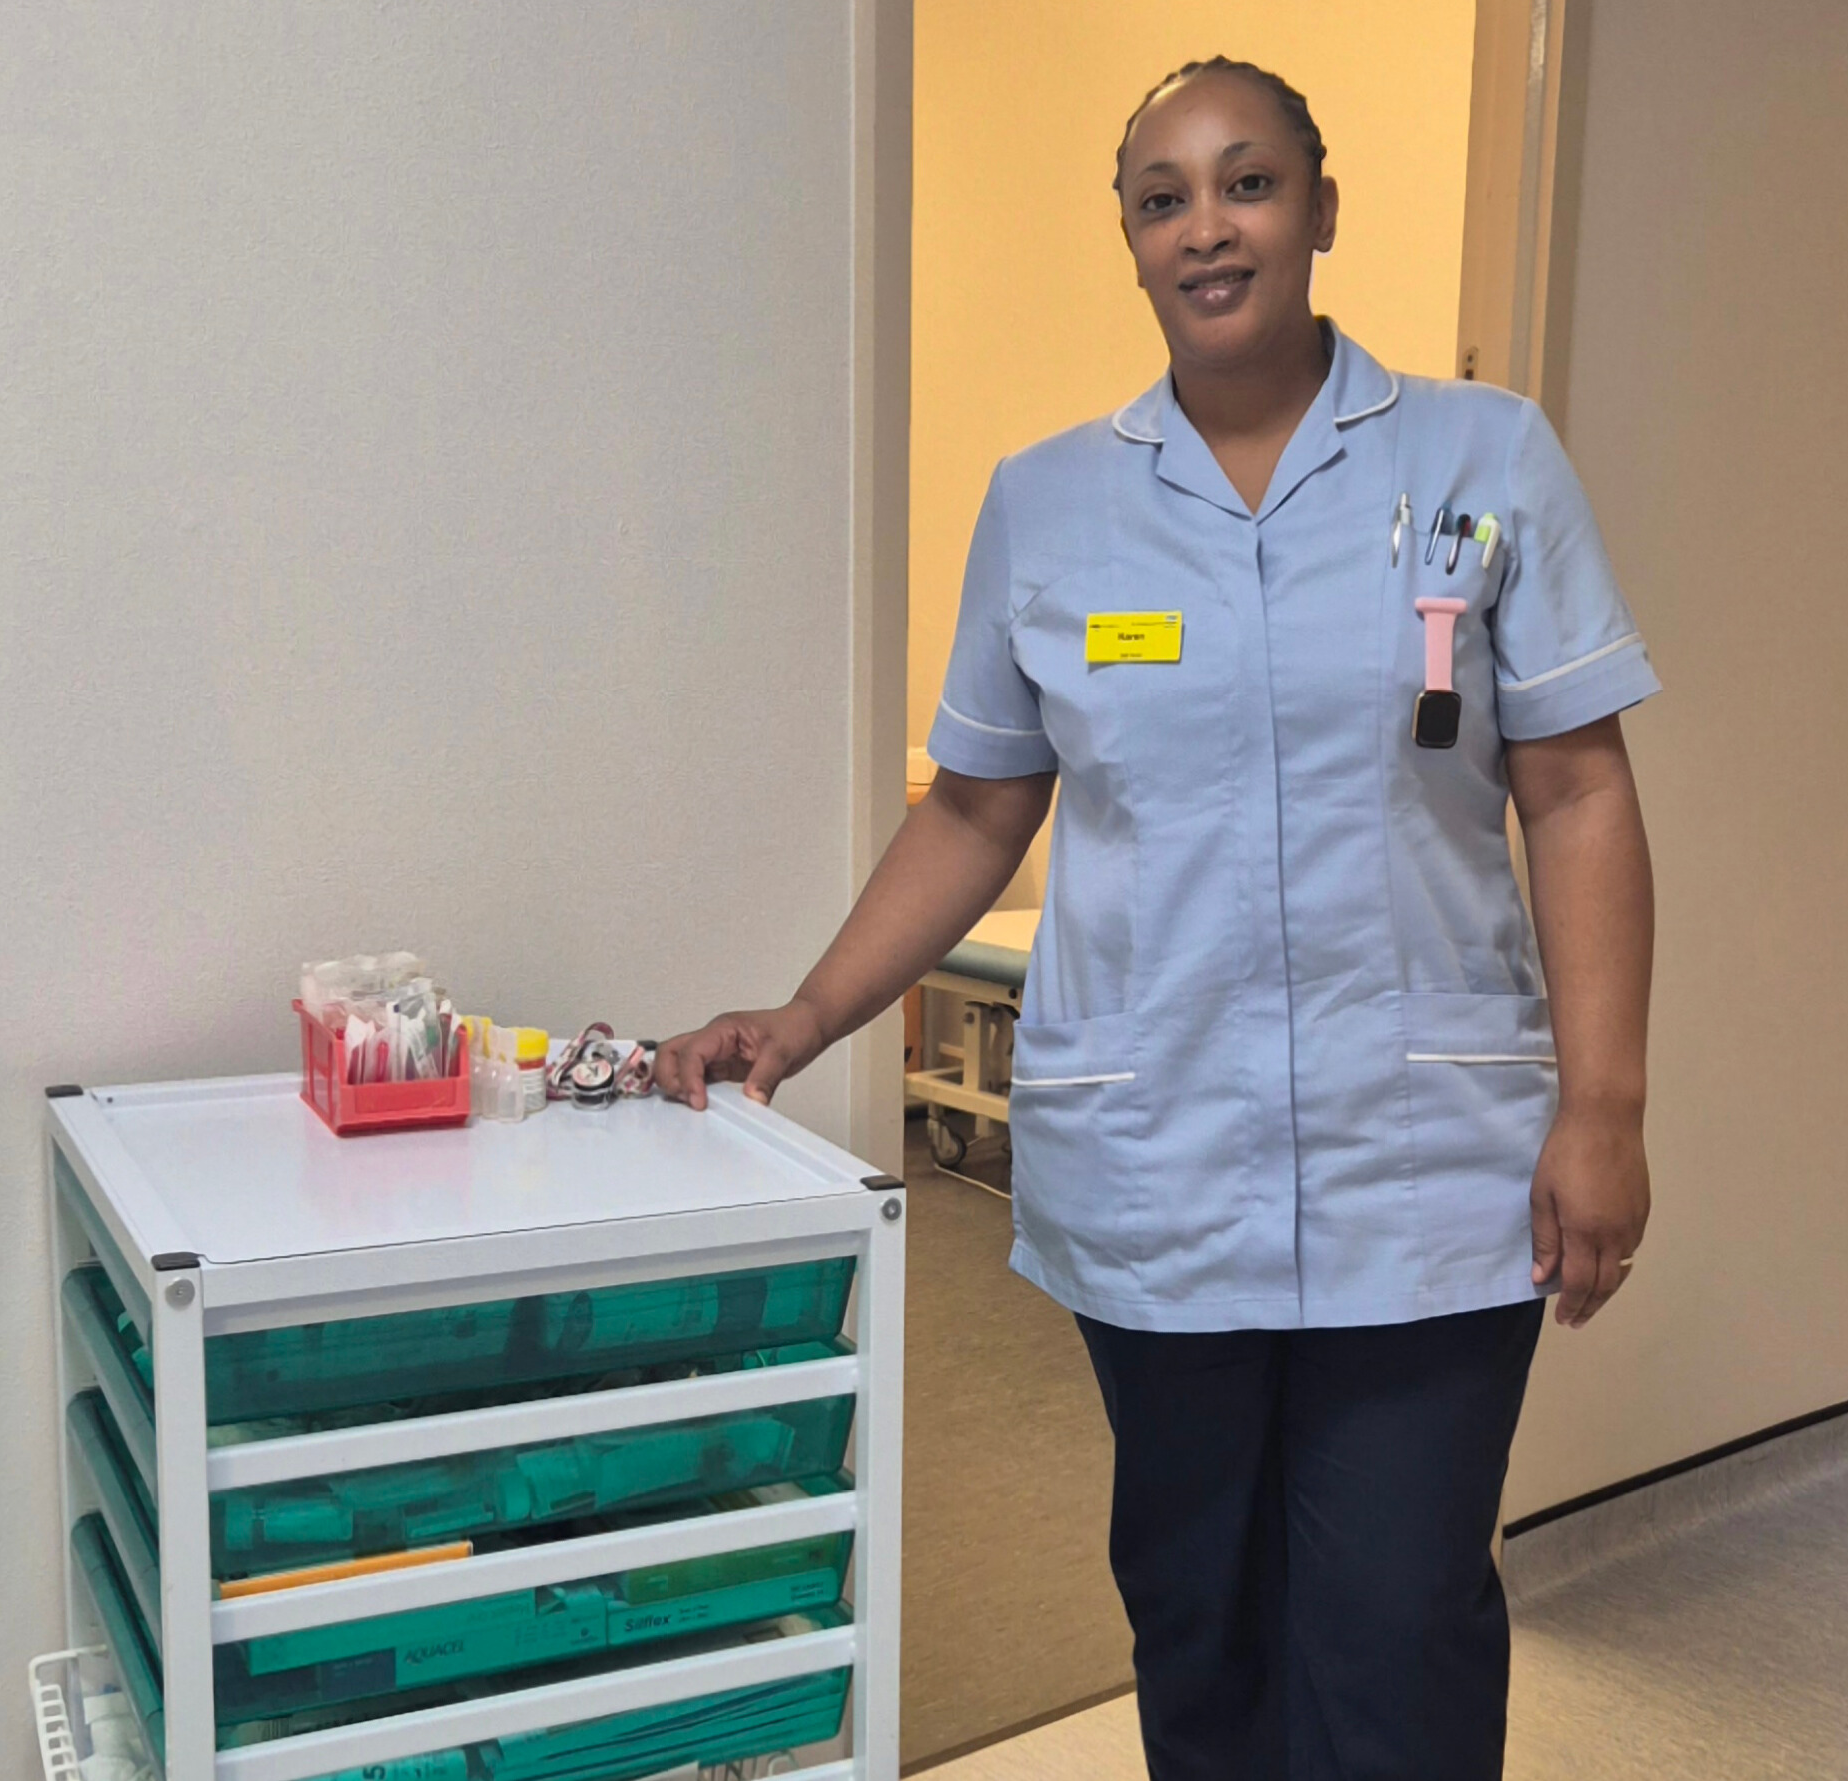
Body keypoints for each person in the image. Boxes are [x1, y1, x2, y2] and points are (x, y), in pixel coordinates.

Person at [661, 55, 1657, 1781]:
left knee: (1398, 1618)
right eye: (1163, 196)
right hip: (1157, 1155)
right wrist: (805, 1017)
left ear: (1320, 210)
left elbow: (1574, 791)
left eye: (1247, 182)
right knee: (1195, 1607)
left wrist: (1604, 1103)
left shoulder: (1482, 459)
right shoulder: (1050, 502)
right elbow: (978, 802)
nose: (1208, 226)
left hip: (1421, 1158)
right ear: (1129, 242)